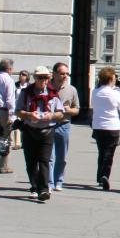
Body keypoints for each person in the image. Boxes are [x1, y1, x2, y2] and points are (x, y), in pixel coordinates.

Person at [16, 66, 65, 202]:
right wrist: (29, 114)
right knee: (31, 162)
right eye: (40, 77)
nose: (43, 80)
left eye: (46, 77)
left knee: (44, 160)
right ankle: (34, 186)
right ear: (34, 78)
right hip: (30, 130)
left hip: (47, 131)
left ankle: (43, 189)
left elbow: (61, 113)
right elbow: (18, 111)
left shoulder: (53, 93)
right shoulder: (26, 93)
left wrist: (51, 115)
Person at [90, 66, 120, 189]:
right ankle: (104, 175)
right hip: (112, 126)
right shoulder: (115, 93)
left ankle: (100, 176)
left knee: (101, 151)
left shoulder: (95, 92)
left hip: (98, 126)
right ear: (110, 78)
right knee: (109, 153)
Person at [48, 62, 80, 192]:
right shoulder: (47, 88)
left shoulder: (71, 89)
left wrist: (68, 110)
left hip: (64, 125)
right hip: (48, 125)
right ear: (54, 74)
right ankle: (49, 183)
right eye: (62, 73)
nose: (65, 76)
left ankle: (59, 181)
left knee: (62, 156)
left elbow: (77, 110)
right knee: (49, 156)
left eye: (67, 73)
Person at [0, 58, 17, 174]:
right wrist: (12, 116)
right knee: (5, 138)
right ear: (9, 69)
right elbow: (10, 99)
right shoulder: (9, 80)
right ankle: (3, 165)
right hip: (4, 111)